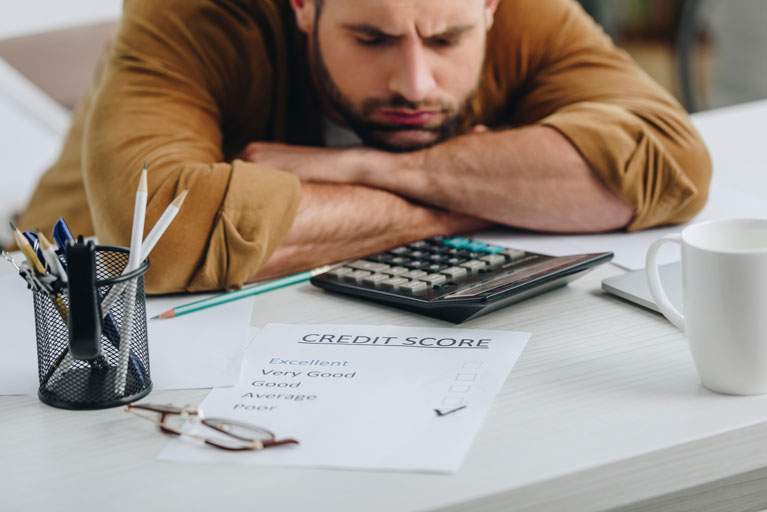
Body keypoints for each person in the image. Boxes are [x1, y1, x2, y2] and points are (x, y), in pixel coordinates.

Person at [16, 0, 711, 294]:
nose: (414, 82)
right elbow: (158, 237)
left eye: (446, 41)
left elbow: (671, 166)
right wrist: (493, 192)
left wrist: (371, 168)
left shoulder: (526, 14)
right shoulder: (190, 13)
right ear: (302, 7)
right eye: (370, 38)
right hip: (65, 311)